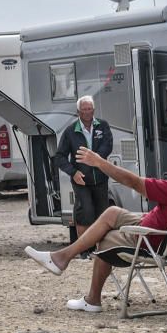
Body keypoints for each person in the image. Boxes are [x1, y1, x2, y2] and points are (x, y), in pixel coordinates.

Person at [24, 139, 167, 313]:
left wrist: (99, 163)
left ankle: (92, 299)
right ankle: (62, 257)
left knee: (104, 238)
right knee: (112, 213)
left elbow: (132, 182)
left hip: (152, 240)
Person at [54, 95, 113, 238]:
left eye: (90, 109)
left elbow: (108, 145)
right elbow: (60, 157)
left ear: (94, 110)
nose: (87, 112)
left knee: (102, 213)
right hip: (81, 180)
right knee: (85, 212)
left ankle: (101, 248)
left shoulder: (103, 125)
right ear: (78, 112)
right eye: (84, 109)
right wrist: (73, 172)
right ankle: (84, 249)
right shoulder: (70, 131)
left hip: (100, 178)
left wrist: (96, 159)